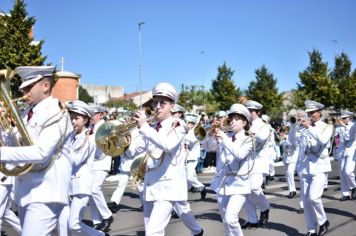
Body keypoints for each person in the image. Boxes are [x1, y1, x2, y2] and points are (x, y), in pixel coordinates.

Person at [0, 66, 74, 235]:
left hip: (46, 191)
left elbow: (41, 152)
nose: (24, 91)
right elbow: (13, 143)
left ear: (46, 86)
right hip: (27, 190)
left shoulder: (57, 113)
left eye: (28, 87)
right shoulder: (27, 113)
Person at [124, 82, 203, 236]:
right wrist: (125, 137)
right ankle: (197, 232)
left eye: (163, 103)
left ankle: (196, 231)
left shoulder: (178, 126)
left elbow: (168, 145)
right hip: (150, 185)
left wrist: (144, 127)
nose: (158, 106)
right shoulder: (151, 128)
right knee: (151, 231)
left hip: (168, 188)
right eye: (155, 103)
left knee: (153, 232)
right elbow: (132, 151)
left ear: (172, 107)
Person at [62, 100, 108, 236]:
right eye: (71, 118)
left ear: (86, 119)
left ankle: (100, 235)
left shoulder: (89, 139)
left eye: (76, 118)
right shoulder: (71, 136)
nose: (73, 121)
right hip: (68, 185)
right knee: (64, 223)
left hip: (81, 186)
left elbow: (76, 160)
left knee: (74, 224)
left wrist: (60, 148)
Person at [209, 103, 253, 236]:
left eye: (237, 119)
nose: (233, 121)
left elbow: (239, 155)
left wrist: (224, 139)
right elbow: (209, 148)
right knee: (225, 220)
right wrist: (210, 136)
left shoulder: (248, 139)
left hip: (239, 184)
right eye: (231, 119)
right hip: (222, 183)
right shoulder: (225, 136)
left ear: (244, 122)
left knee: (231, 219)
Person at [297, 100, 333, 236]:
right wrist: (296, 125)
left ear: (319, 113)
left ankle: (323, 221)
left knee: (314, 198)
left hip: (319, 167)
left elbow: (323, 140)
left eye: (312, 113)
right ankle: (311, 229)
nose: (310, 115)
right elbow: (295, 142)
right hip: (306, 167)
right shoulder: (304, 127)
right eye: (308, 113)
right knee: (306, 202)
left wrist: (308, 127)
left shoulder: (326, 127)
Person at [242, 100, 270, 229]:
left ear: (258, 112)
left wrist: (248, 130)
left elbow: (262, 137)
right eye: (247, 110)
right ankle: (252, 219)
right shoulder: (244, 124)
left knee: (255, 188)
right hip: (245, 162)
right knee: (246, 192)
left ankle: (265, 207)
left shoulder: (263, 125)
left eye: (251, 111)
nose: (248, 113)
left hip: (258, 162)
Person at [88, 104, 114, 232]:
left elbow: (104, 149)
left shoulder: (105, 127)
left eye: (92, 114)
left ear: (100, 114)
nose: (90, 116)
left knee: (94, 189)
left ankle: (107, 216)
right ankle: (96, 221)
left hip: (101, 162)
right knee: (89, 191)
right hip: (91, 163)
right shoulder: (91, 127)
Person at [335, 109, 356, 201]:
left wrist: (344, 126)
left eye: (345, 118)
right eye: (342, 118)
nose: (343, 119)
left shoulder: (354, 125)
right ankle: (345, 193)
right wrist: (336, 126)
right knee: (342, 173)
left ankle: (354, 187)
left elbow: (349, 137)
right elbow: (336, 137)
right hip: (342, 151)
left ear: (350, 117)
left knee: (348, 171)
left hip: (352, 151)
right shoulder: (340, 127)